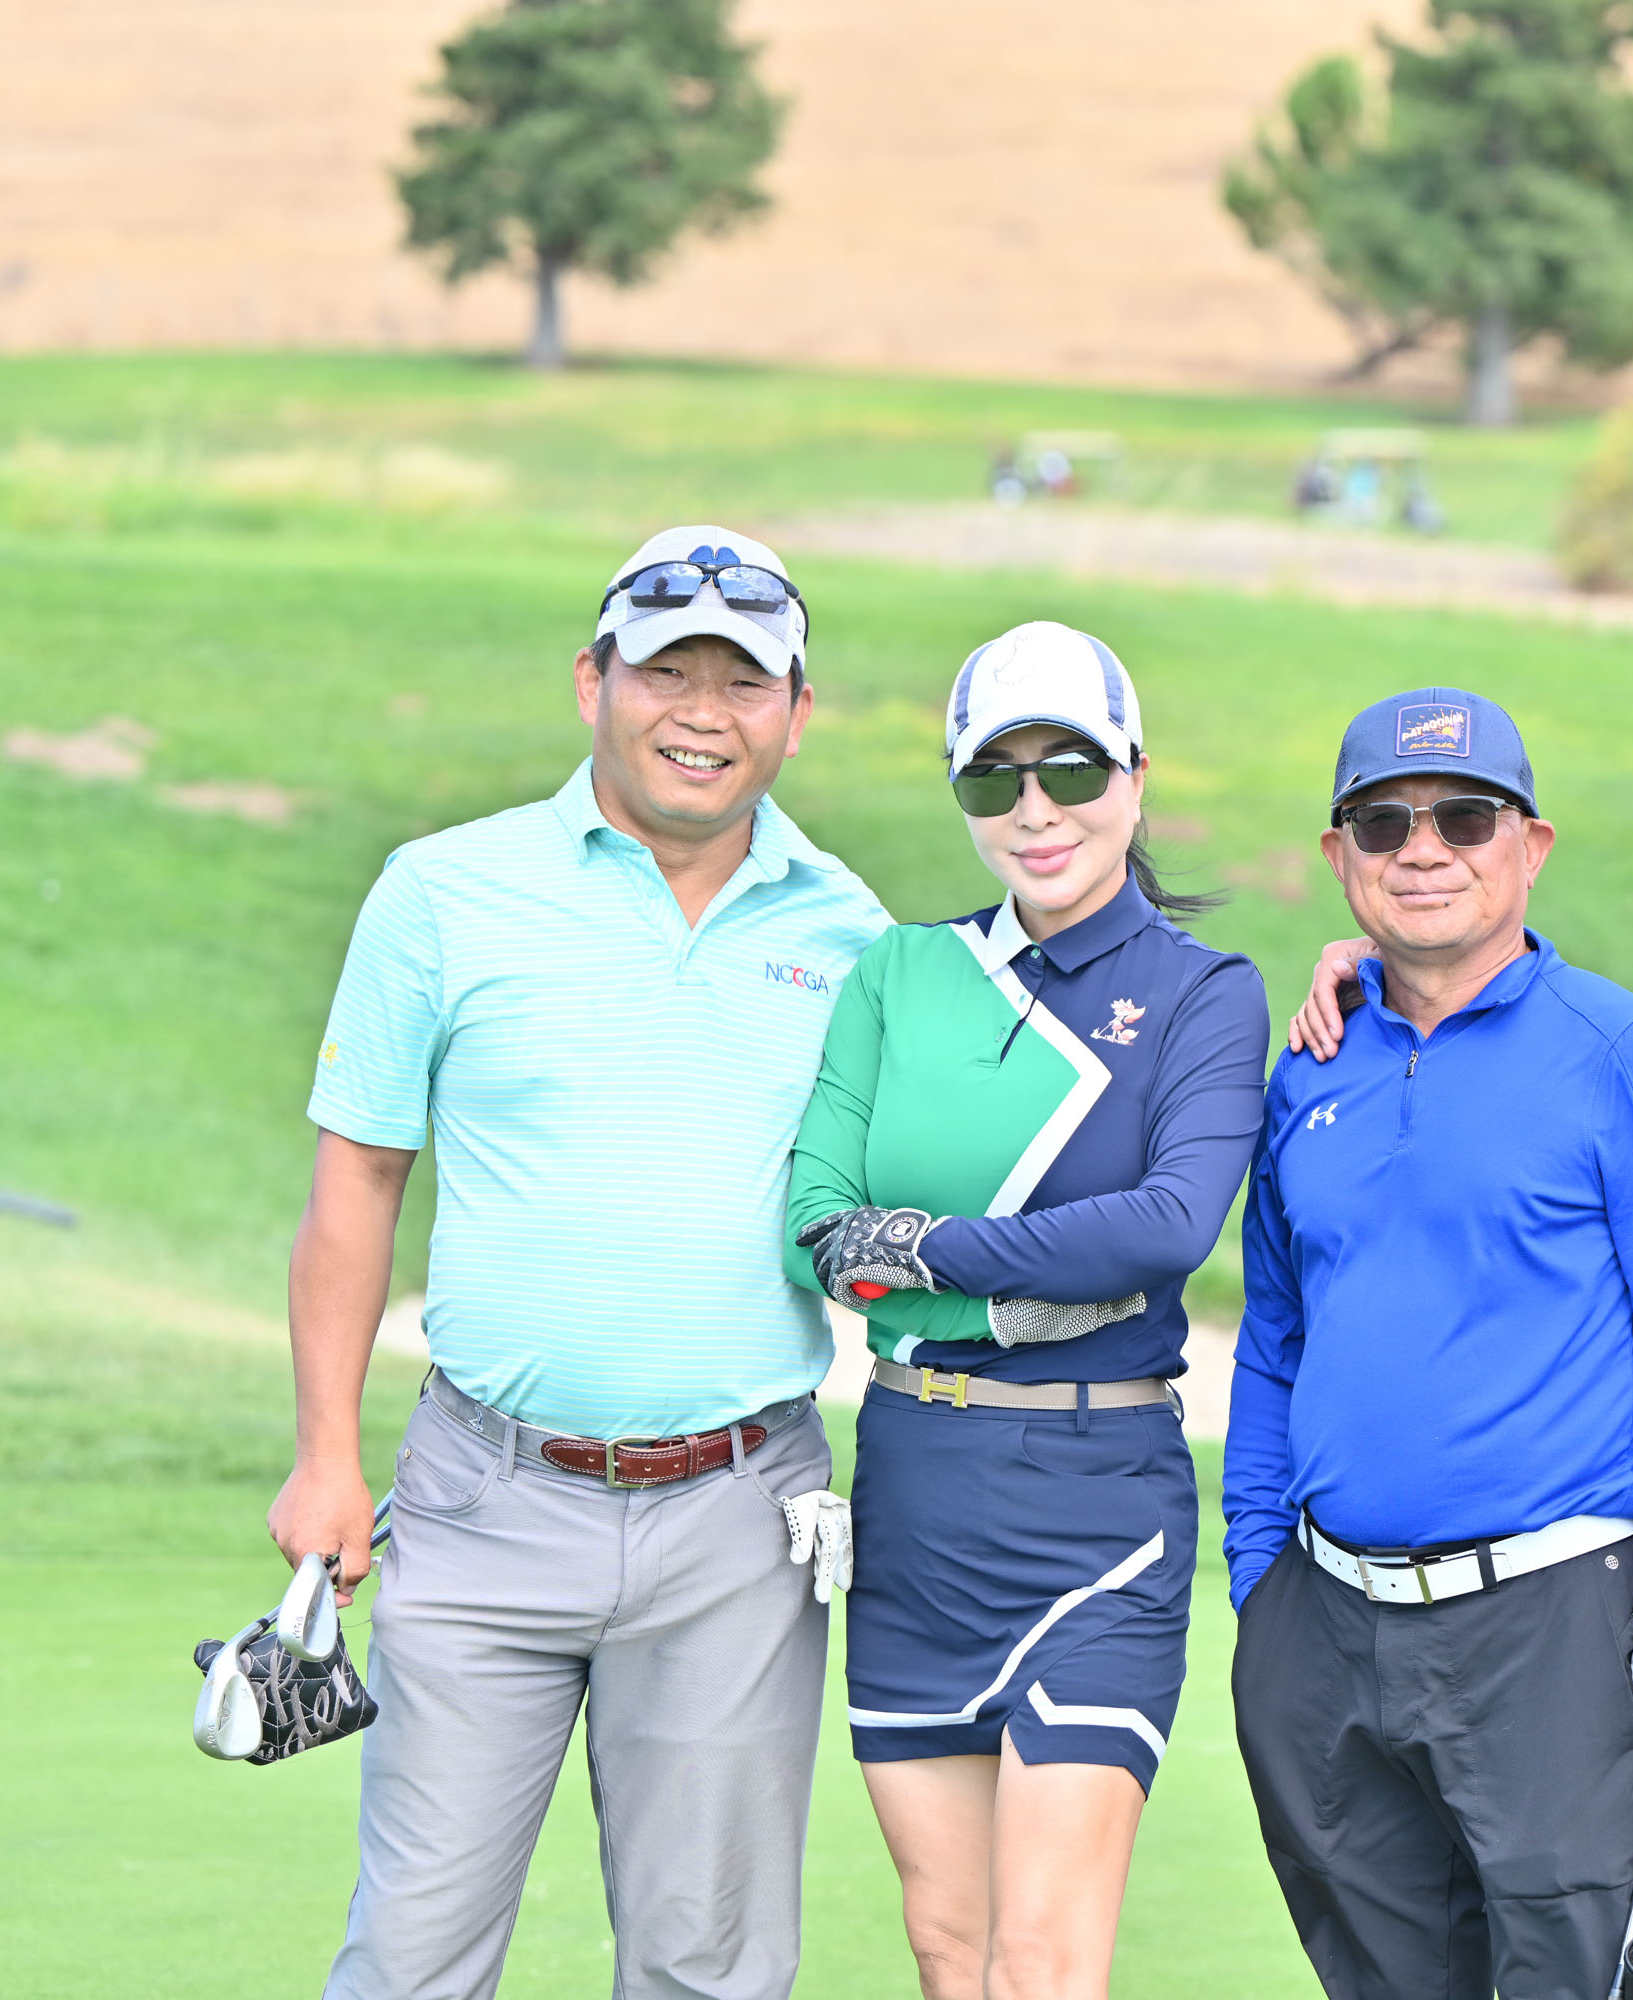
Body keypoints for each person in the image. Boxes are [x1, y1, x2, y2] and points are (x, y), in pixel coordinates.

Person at [271, 526, 889, 2000]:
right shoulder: (441, 891)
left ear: (797, 713)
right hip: (483, 1497)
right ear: (590, 682)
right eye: (665, 671)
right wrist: (324, 1456)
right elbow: (357, 1181)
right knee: (412, 1957)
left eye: (743, 682)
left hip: (742, 1514)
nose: (701, 713)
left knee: (709, 1969)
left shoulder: (854, 934)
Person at [1226, 687, 1633, 2000]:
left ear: (1531, 846)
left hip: (1552, 1619)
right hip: (1327, 1621)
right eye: (1383, 823)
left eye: (1465, 818)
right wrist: (1258, 1585)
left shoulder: (1623, 1053)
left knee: (1569, 1974)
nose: (1424, 849)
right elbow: (1276, 1336)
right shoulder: (1312, 1066)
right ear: (1339, 855)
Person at [783, 622, 1268, 2000]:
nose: (1037, 809)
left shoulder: (1204, 992)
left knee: (1041, 1962)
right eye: (995, 779)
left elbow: (1167, 1228)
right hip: (915, 1496)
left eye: (1073, 769)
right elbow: (813, 1225)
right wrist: (1026, 1279)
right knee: (949, 1950)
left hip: (1096, 1507)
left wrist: (926, 1254)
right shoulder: (900, 972)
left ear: (1135, 776)